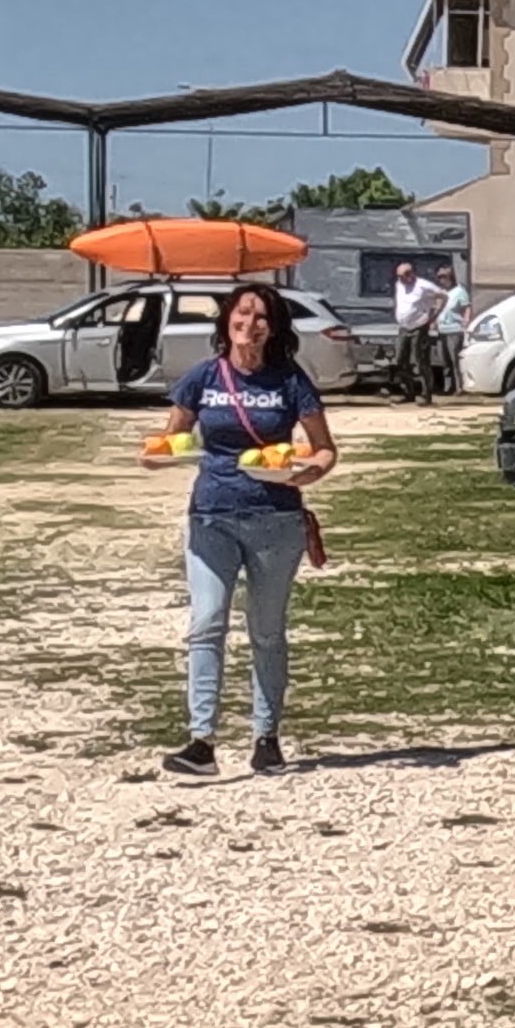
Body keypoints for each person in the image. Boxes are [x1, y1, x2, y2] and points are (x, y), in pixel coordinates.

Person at [144, 280, 338, 775]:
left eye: (261, 318)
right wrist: (157, 456)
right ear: (226, 319)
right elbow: (174, 438)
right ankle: (201, 742)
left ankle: (266, 736)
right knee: (206, 624)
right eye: (241, 314)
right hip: (211, 515)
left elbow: (323, 448)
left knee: (267, 633)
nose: (249, 325)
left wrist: (308, 470)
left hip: (275, 518)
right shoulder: (203, 377)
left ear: (273, 329)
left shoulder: (289, 381)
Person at [389, 259, 451, 404]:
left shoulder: (424, 286)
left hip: (419, 327)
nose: (400, 279)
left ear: (411, 274)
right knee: (399, 360)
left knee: (420, 360)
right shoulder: (399, 285)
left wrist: (434, 315)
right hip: (404, 328)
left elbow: (444, 296)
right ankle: (408, 392)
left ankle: (426, 395)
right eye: (398, 276)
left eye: (403, 275)